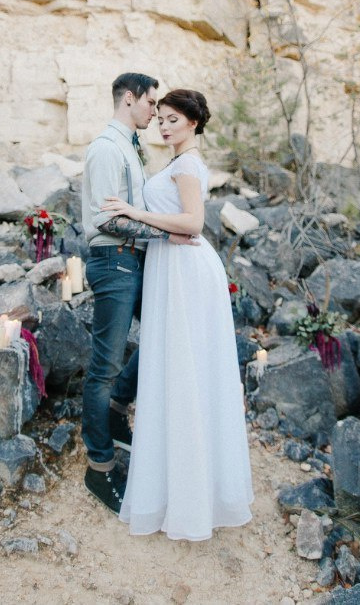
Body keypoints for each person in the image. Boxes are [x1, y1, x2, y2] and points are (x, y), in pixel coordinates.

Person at [102, 88, 254, 540]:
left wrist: (133, 212)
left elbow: (193, 223)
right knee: (174, 368)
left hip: (188, 269)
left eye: (172, 119)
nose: (164, 125)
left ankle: (192, 496)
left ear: (192, 122)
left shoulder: (187, 164)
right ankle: (177, 485)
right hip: (171, 266)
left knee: (186, 369)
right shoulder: (173, 162)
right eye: (161, 118)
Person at [81, 72, 198, 512]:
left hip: (134, 260)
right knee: (103, 366)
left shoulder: (131, 146)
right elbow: (106, 220)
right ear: (129, 99)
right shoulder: (107, 148)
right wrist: (166, 236)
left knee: (165, 335)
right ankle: (100, 467)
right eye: (151, 103)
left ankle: (115, 408)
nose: (155, 112)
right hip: (113, 261)